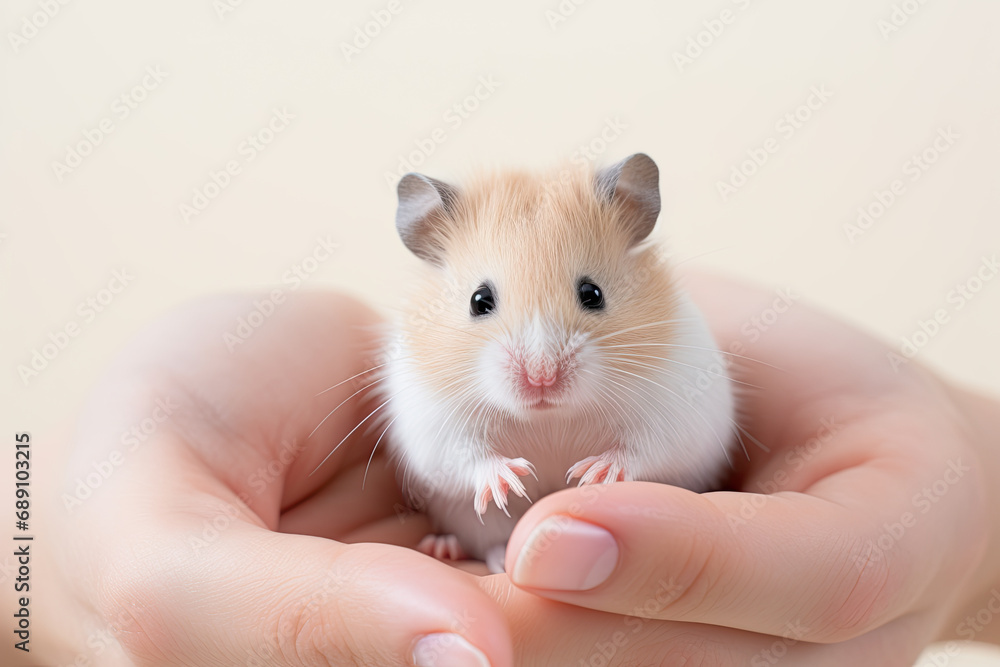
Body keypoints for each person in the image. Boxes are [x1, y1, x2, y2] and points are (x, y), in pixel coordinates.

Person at [28, 273, 1000, 666]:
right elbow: (426, 446)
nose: (538, 362)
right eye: (486, 300)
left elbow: (694, 441)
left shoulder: (681, 347)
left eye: (584, 294)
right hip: (476, 524)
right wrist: (36, 552)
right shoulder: (411, 364)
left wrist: (978, 485)